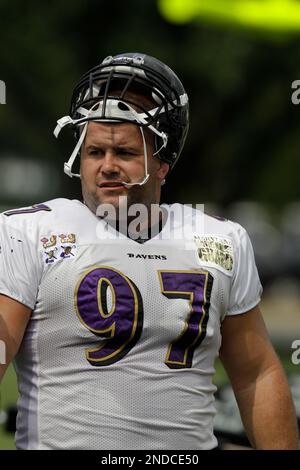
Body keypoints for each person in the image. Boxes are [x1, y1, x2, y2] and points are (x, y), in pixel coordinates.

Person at [0, 52, 298, 451]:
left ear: (163, 164)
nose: (106, 166)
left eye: (124, 153)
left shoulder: (220, 240)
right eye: (94, 152)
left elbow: (256, 373)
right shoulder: (29, 232)